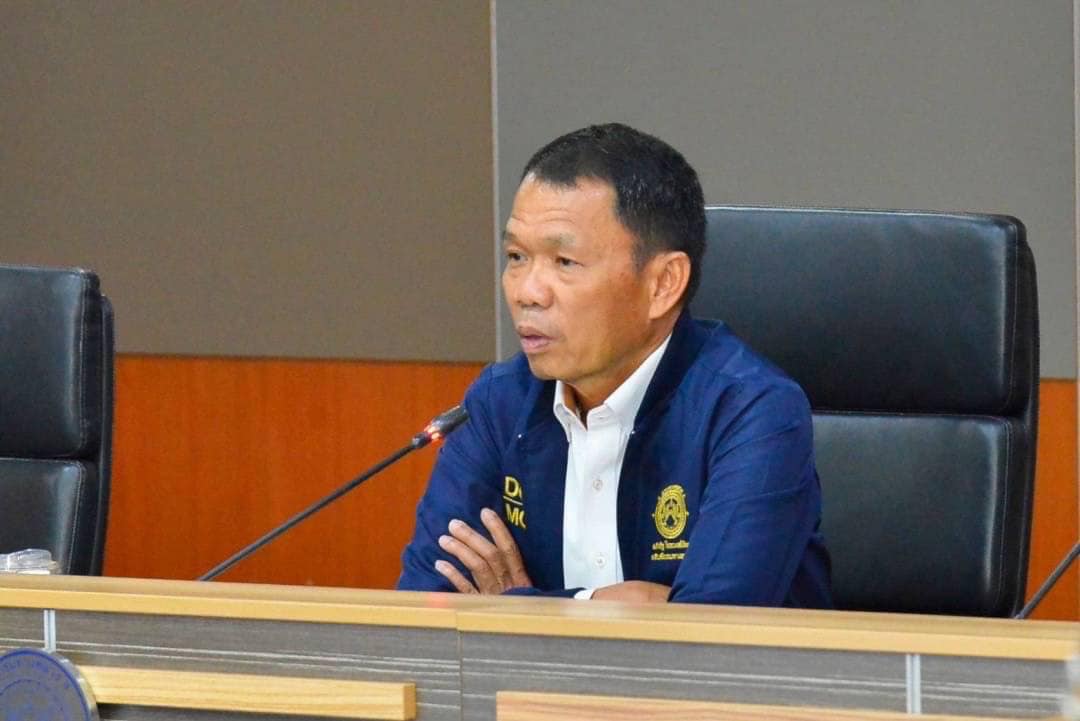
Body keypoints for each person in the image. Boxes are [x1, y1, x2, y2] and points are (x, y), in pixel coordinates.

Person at [397, 123, 831, 606]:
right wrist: (599, 605)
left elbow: (710, 628)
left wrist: (516, 604)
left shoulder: (751, 410)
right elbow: (425, 605)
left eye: (564, 262)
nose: (526, 292)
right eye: (516, 256)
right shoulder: (498, 403)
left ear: (663, 284)